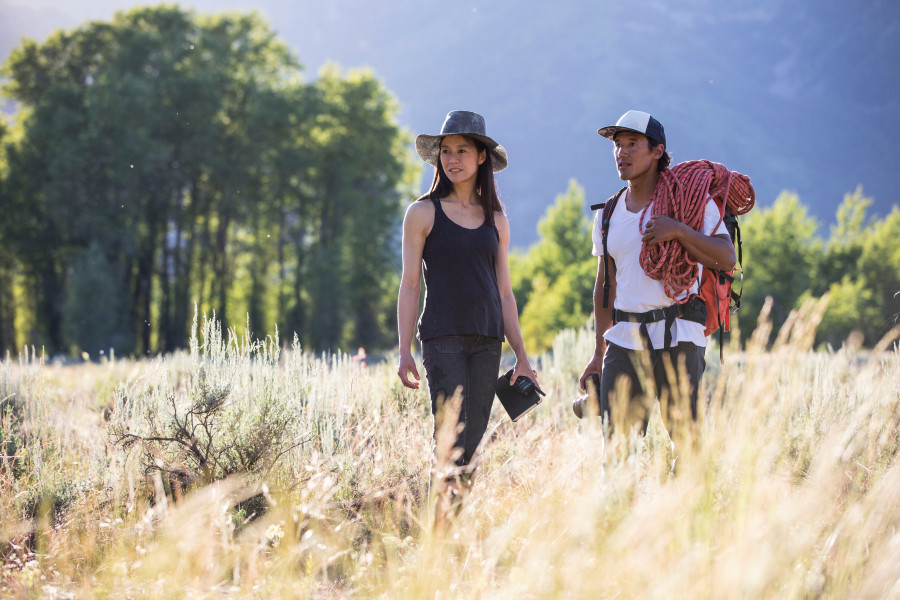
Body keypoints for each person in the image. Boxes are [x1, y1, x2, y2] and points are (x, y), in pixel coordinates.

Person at [397, 110, 537, 480]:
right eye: (446, 151)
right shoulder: (422, 213)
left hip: (488, 342)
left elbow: (505, 293)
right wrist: (403, 349)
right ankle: (437, 535)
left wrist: (521, 355)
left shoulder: (497, 220)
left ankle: (459, 536)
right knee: (449, 444)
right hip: (443, 340)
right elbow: (410, 285)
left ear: (481, 158)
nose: (452, 159)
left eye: (462, 150)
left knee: (472, 450)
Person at [578, 110, 737, 433]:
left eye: (632, 144)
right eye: (617, 145)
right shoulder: (607, 215)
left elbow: (725, 258)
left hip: (679, 336)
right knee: (618, 452)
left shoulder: (691, 203)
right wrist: (599, 352)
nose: (621, 153)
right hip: (623, 341)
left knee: (687, 445)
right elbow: (604, 287)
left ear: (657, 151)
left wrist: (679, 231)